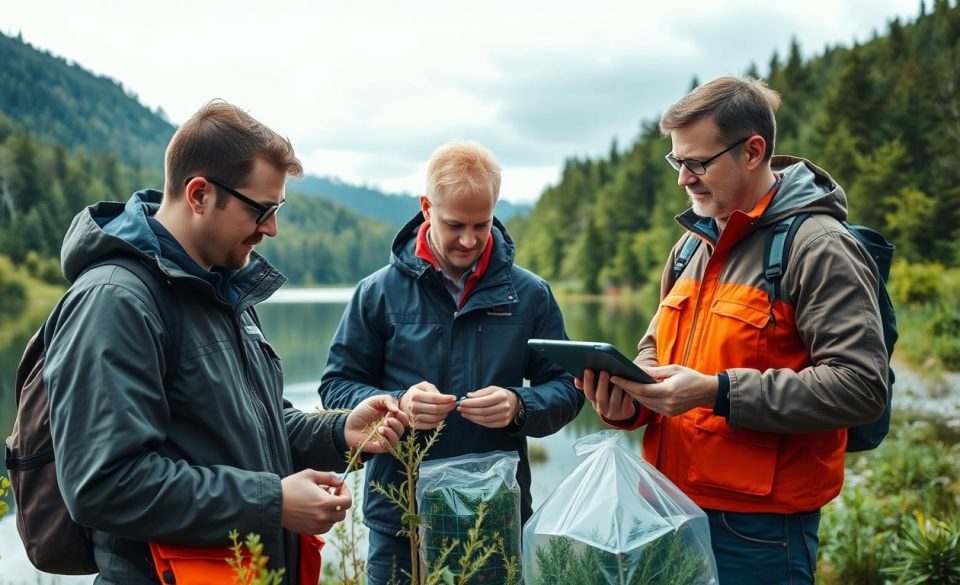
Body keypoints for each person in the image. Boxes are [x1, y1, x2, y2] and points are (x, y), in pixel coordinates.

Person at [43, 100, 408, 584]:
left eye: (277, 209)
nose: (271, 227)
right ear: (198, 194)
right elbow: (104, 484)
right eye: (261, 209)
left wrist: (340, 432)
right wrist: (273, 502)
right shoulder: (115, 301)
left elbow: (260, 423)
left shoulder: (223, 285)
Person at [579, 76, 889, 585]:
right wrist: (629, 401)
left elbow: (860, 386)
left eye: (697, 162)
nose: (683, 178)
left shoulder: (818, 247)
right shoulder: (689, 248)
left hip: (761, 536)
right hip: (666, 510)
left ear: (753, 151)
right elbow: (654, 347)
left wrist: (714, 392)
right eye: (677, 161)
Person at [318, 140, 584, 585]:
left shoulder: (530, 294)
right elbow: (337, 388)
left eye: (481, 224)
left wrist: (520, 406)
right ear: (426, 208)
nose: (468, 239)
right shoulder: (377, 293)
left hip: (497, 514)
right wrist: (398, 404)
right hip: (401, 519)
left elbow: (567, 388)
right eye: (455, 224)